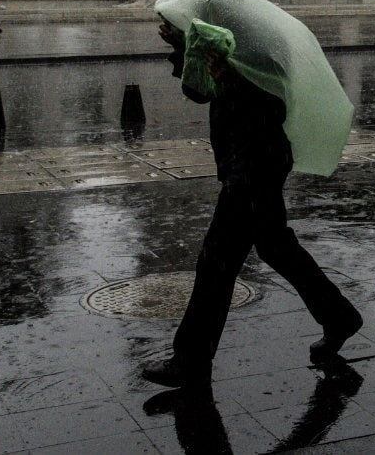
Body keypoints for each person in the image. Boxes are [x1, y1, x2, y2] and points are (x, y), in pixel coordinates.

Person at [141, 19, 363, 388]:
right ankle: (338, 317)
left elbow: (272, 103)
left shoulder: (266, 46)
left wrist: (230, 77)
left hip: (255, 165)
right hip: (243, 162)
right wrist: (184, 48)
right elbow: (199, 91)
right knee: (276, 247)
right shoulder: (224, 39)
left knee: (216, 263)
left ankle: (190, 361)